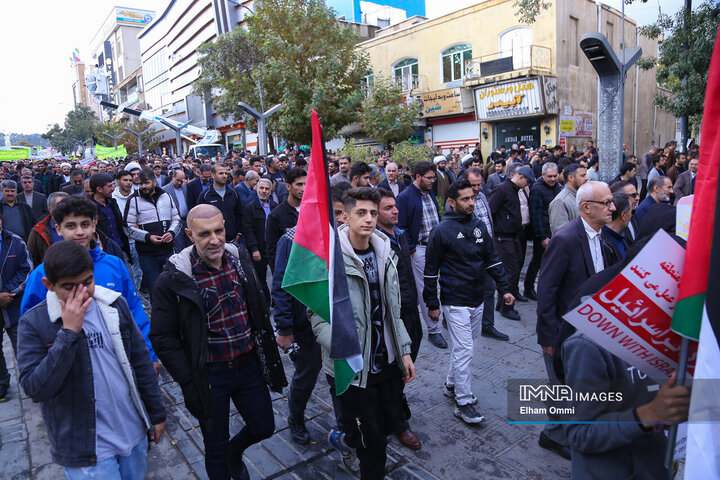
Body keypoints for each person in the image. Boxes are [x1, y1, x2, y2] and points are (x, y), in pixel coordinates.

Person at [150, 204, 286, 480]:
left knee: (263, 427)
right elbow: (163, 337)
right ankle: (226, 457)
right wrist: (188, 378)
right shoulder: (173, 279)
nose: (214, 240)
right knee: (215, 447)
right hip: (209, 374)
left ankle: (233, 452)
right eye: (204, 234)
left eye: (219, 230)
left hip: (248, 364)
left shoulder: (239, 258)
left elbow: (256, 307)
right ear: (189, 235)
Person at [16, 240, 166, 478]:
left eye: (87, 282)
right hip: (85, 447)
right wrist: (68, 334)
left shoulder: (114, 304)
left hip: (131, 433)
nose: (82, 293)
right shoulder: (34, 323)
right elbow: (36, 387)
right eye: (69, 287)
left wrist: (156, 414)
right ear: (49, 285)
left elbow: (140, 362)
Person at [310, 187, 414, 480]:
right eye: (360, 212)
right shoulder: (331, 261)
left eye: (372, 212)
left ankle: (346, 439)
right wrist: (345, 347)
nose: (368, 219)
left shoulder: (385, 252)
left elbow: (393, 311)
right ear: (345, 216)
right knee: (373, 442)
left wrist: (403, 350)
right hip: (353, 365)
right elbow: (317, 319)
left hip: (386, 362)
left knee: (386, 425)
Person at [20, 196, 158, 364]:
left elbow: (134, 310)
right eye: (70, 226)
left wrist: (149, 354)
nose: (79, 232)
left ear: (94, 224)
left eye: (84, 224)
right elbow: (31, 322)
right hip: (70, 360)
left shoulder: (114, 264)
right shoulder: (43, 274)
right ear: (58, 229)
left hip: (118, 355)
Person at [535, 181, 615, 460]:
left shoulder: (601, 235)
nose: (612, 207)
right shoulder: (566, 238)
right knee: (560, 386)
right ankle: (553, 435)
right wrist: (548, 336)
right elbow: (546, 289)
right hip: (562, 331)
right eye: (606, 203)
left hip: (590, 328)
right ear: (586, 207)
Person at [424, 179, 514, 425]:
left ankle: (452, 384)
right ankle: (463, 402)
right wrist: (432, 303)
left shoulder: (478, 225)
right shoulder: (441, 231)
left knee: (468, 347)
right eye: (465, 199)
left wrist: (505, 289)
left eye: (472, 197)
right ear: (451, 202)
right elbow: (430, 271)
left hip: (478, 298)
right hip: (455, 300)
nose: (471, 202)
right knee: (464, 349)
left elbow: (492, 259)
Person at [375, 188, 422, 449]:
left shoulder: (400, 235)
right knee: (396, 369)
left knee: (409, 362)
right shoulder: (376, 241)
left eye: (395, 206)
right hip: (393, 315)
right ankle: (397, 422)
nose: (395, 211)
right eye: (388, 208)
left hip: (411, 308)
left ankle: (395, 404)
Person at [396, 161, 447, 349]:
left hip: (437, 247)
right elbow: (400, 226)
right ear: (418, 177)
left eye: (434, 177)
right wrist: (411, 249)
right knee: (426, 289)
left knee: (441, 284)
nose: (433, 180)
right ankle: (434, 330)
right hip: (419, 250)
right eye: (429, 177)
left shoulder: (430, 192)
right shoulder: (405, 197)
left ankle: (444, 318)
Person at [124, 169, 181, 298]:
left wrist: (171, 233)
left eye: (146, 183)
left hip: (167, 251)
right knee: (155, 290)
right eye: (140, 184)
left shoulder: (166, 196)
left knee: (173, 287)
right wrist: (148, 237)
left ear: (154, 182)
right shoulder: (133, 200)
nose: (143, 186)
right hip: (147, 255)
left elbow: (176, 219)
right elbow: (127, 228)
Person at [488, 166, 534, 320]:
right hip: (503, 237)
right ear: (520, 177)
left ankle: (503, 303)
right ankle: (507, 307)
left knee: (513, 270)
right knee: (511, 272)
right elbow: (491, 211)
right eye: (527, 181)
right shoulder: (502, 189)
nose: (527, 184)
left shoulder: (515, 190)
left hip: (514, 236)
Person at [0, 216, 32, 401]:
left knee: (23, 346)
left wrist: (7, 293)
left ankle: (31, 383)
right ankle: (2, 386)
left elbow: (25, 269)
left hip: (13, 304)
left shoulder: (15, 242)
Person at [526, 163, 561, 299]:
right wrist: (542, 237)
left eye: (555, 176)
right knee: (537, 261)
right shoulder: (537, 190)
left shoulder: (558, 187)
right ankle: (529, 288)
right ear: (542, 175)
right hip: (543, 233)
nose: (552, 179)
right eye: (549, 176)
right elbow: (536, 216)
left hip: (555, 231)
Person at [242, 178, 277, 302]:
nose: (264, 191)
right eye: (261, 188)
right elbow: (248, 230)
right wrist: (254, 249)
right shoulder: (250, 207)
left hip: (273, 248)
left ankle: (276, 301)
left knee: (277, 276)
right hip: (259, 248)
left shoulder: (275, 206)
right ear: (256, 188)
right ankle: (266, 302)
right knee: (260, 279)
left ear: (271, 190)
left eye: (267, 188)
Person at [265, 168, 306, 271]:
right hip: (290, 271)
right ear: (288, 186)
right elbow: (272, 251)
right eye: (299, 184)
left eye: (306, 184)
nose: (303, 188)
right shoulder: (276, 216)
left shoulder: (312, 211)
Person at [196, 163, 243, 243]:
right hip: (212, 240)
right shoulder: (205, 195)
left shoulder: (233, 193)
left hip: (232, 239)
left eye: (226, 173)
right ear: (213, 175)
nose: (224, 176)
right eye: (221, 173)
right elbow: (198, 218)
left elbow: (239, 214)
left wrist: (239, 233)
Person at [90, 173, 131, 262]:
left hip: (121, 249)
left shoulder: (112, 203)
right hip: (103, 253)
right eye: (109, 186)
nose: (113, 189)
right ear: (99, 189)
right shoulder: (89, 208)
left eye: (112, 185)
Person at [113, 170, 143, 289]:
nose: (128, 183)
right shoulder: (112, 198)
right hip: (122, 242)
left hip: (137, 240)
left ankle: (137, 295)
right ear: (118, 181)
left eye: (130, 180)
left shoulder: (138, 196)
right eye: (125, 180)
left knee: (138, 272)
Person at [27, 191, 68, 266]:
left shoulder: (78, 228)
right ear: (50, 208)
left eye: (67, 205)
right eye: (59, 205)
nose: (64, 209)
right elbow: (31, 258)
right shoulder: (38, 231)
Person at [549, 163, 588, 234]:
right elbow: (561, 233)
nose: (586, 178)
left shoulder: (582, 196)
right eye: (582, 176)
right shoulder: (560, 201)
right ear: (571, 178)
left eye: (585, 175)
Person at [162, 169, 191, 252]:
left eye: (182, 181)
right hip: (175, 222)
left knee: (190, 244)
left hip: (187, 221)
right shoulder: (165, 190)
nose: (179, 183)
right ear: (173, 177)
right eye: (178, 180)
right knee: (179, 246)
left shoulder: (185, 187)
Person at [601, 193, 632, 265]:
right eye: (630, 212)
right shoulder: (603, 244)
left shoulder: (621, 236)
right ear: (623, 215)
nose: (631, 216)